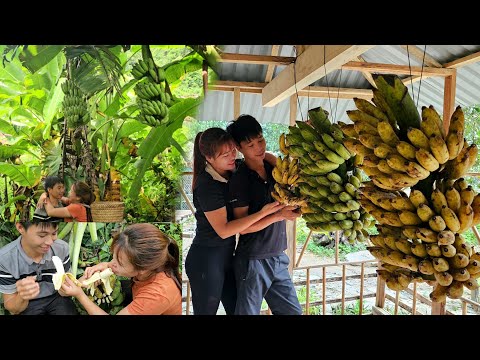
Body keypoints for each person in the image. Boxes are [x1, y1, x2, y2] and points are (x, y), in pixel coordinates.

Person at [185, 127, 287, 315]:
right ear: (209, 159)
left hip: (227, 257)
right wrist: (264, 213)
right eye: (225, 154)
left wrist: (275, 161)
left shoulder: (233, 167)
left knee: (237, 310)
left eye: (233, 150)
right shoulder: (206, 184)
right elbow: (223, 230)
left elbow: (262, 155)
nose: (232, 156)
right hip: (206, 259)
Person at [226, 114, 303, 315]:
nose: (258, 147)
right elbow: (242, 227)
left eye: (260, 140)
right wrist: (280, 215)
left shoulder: (273, 167)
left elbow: (294, 169)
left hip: (278, 255)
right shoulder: (240, 180)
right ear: (239, 148)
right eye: (250, 145)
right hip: (253, 259)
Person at [59, 223, 182, 315]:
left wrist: (80, 295)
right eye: (113, 257)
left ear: (143, 268)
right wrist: (104, 266)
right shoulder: (152, 266)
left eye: (120, 263)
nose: (111, 264)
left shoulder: (157, 295)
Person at [0, 221, 78, 315]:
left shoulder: (61, 248)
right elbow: (12, 308)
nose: (50, 242)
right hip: (28, 303)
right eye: (42, 235)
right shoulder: (5, 259)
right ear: (21, 228)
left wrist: (69, 286)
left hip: (56, 296)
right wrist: (22, 296)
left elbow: (68, 286)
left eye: (54, 233)